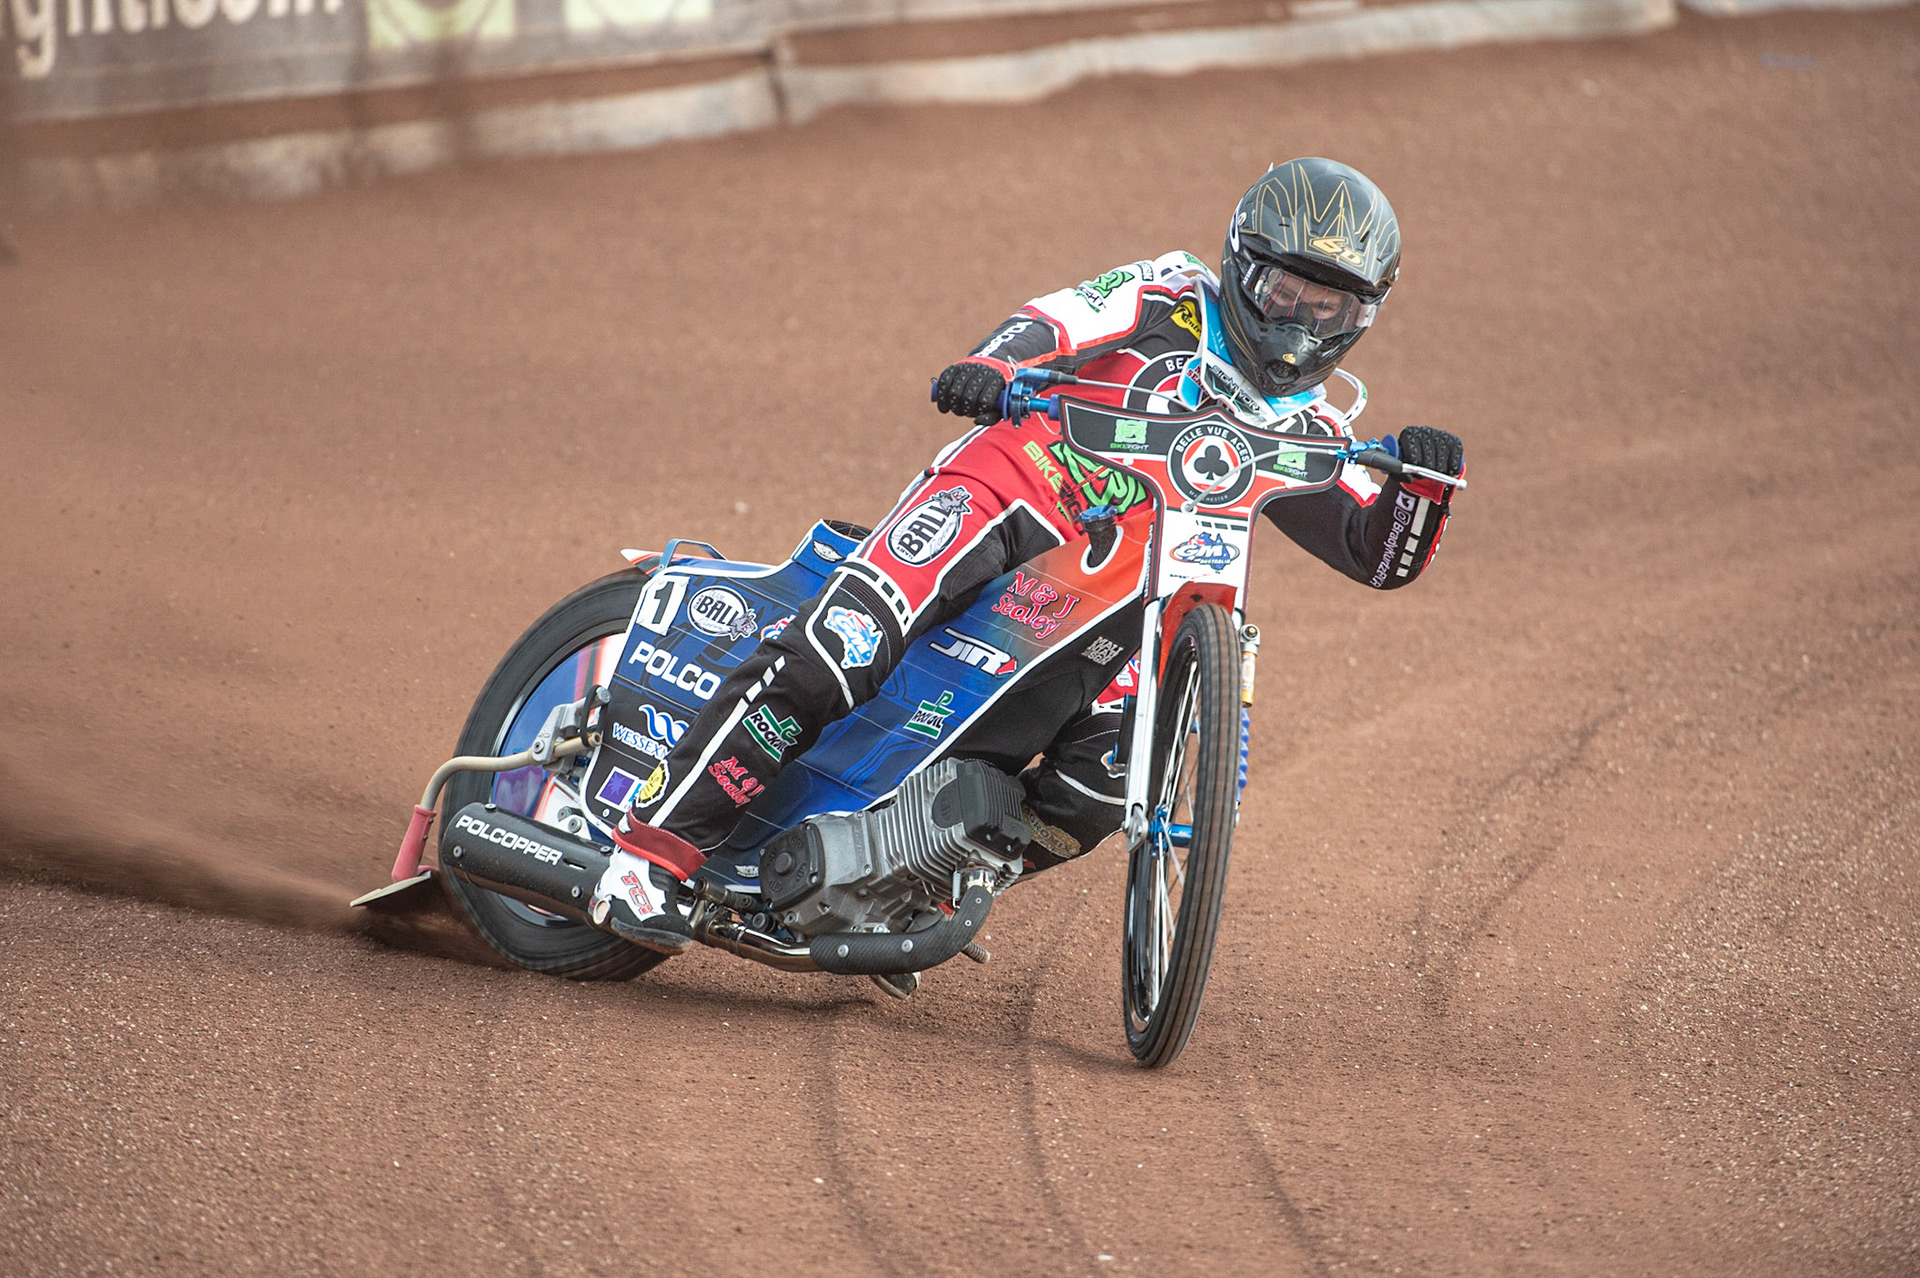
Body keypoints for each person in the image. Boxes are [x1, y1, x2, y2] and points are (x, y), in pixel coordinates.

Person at [594, 157, 1465, 953]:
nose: (1299, 322)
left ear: (1362, 317)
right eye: (1285, 292)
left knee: (1098, 787)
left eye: (1328, 307)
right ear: (1242, 265)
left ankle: (906, 879)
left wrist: (1423, 490)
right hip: (1013, 486)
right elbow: (1055, 320)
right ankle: (646, 856)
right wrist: (988, 366)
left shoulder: (1312, 428)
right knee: (846, 644)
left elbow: (1377, 554)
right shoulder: (1168, 293)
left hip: (1111, 589)